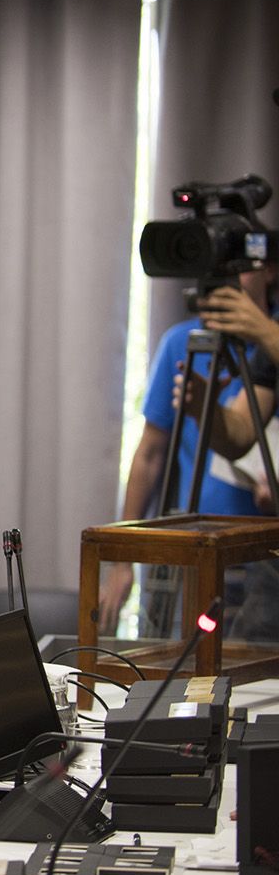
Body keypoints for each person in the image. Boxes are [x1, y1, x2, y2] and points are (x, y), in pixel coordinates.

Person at [102, 266, 278, 632]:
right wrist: (206, 409)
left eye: (239, 267)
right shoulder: (182, 342)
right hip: (200, 549)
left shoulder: (268, 339)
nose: (228, 280)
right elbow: (240, 433)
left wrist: (262, 330)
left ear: (269, 268)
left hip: (260, 551)